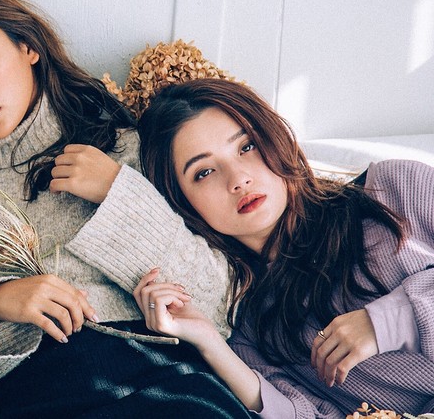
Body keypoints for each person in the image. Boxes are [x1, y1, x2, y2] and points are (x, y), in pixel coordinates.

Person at [0, 0, 249, 417]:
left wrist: (119, 196)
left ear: (28, 46)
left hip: (167, 384)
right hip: (29, 398)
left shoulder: (129, 151)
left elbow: (221, 305)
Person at [134, 77, 434, 417]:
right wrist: (210, 342)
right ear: (182, 203)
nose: (238, 179)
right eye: (204, 172)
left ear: (274, 138)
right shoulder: (250, 331)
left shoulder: (396, 190)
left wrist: (385, 322)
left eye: (246, 146)